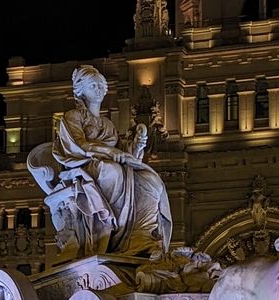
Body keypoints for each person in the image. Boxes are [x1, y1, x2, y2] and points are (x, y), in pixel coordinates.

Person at [29, 65, 173, 258]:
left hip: (110, 166)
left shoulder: (108, 124)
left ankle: (140, 235)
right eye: (93, 85)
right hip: (83, 168)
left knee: (151, 181)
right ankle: (111, 230)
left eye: (100, 85)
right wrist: (109, 151)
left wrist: (137, 145)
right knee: (111, 171)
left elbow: (124, 152)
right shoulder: (72, 117)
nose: (98, 89)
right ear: (81, 90)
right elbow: (78, 145)